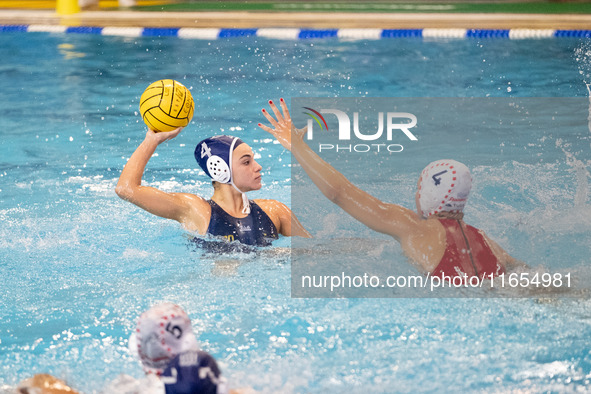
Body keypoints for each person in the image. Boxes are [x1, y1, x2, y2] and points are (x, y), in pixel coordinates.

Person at [258, 99, 522, 279]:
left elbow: (340, 192)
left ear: (429, 194)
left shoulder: (411, 225)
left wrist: (297, 145)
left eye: (420, 187)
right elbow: (524, 274)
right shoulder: (489, 243)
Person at [115, 128, 310, 247]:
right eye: (246, 162)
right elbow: (126, 189)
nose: (258, 166)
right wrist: (152, 140)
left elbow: (317, 251)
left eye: (254, 159)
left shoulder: (275, 211)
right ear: (220, 170)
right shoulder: (195, 210)